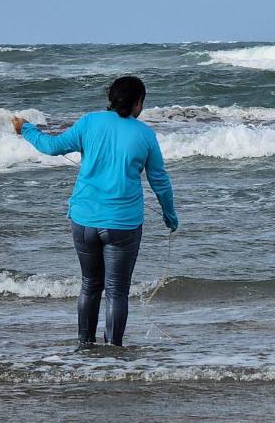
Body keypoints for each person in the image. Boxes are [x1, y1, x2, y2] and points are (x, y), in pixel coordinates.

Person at [12, 76, 179, 346]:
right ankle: (113, 353)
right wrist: (170, 215)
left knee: (90, 285)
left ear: (111, 99)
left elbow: (51, 147)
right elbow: (159, 180)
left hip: (84, 220)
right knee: (116, 292)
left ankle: (85, 346)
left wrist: (26, 129)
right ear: (139, 103)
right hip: (123, 225)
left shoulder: (90, 122)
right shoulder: (145, 134)